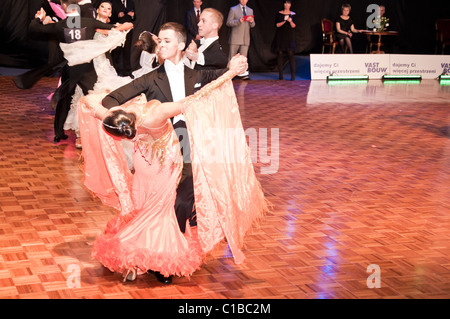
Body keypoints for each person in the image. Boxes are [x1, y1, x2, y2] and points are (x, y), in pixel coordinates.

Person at [78, 53, 267, 284]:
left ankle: (133, 260)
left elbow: (90, 104)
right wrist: (231, 73)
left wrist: (94, 103)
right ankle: (150, 259)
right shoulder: (157, 113)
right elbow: (199, 97)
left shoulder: (116, 122)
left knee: (143, 207)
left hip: (142, 166)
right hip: (163, 167)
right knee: (160, 212)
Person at [101, 24, 230, 257]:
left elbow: (225, 75)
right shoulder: (151, 79)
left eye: (167, 41)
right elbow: (111, 99)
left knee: (182, 199)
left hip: (191, 142)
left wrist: (237, 67)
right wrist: (129, 118)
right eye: (159, 41)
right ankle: (156, 247)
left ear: (181, 45)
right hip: (160, 149)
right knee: (160, 200)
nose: (161, 45)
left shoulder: (197, 74)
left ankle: (173, 251)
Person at [28, 0, 133, 143]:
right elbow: (113, 27)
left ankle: (59, 133)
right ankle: (99, 131)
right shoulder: (89, 22)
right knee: (93, 98)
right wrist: (127, 23)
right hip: (86, 69)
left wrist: (39, 18)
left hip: (70, 68)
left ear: (67, 11)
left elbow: (35, 28)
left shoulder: (61, 25)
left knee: (65, 100)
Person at [226, 0, 255, 79]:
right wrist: (238, 21)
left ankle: (242, 74)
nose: (243, 0)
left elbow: (253, 25)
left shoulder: (250, 10)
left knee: (243, 58)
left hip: (245, 38)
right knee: (232, 57)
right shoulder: (233, 9)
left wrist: (252, 21)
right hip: (236, 37)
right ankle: (229, 75)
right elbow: (228, 22)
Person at [273, 0, 296, 81]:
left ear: (290, 4)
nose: (287, 5)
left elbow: (294, 26)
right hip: (280, 36)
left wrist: (290, 21)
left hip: (289, 36)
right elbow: (276, 25)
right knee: (280, 53)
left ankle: (293, 76)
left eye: (288, 3)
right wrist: (284, 21)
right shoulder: (279, 13)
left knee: (290, 54)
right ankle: (281, 76)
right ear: (283, 4)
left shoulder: (293, 14)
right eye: (285, 3)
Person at [110, 0, 135, 76]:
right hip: (118, 30)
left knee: (127, 51)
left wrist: (133, 15)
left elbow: (134, 16)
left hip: (128, 30)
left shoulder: (131, 2)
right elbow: (110, 16)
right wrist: (117, 15)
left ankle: (127, 71)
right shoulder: (113, 2)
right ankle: (115, 71)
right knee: (116, 51)